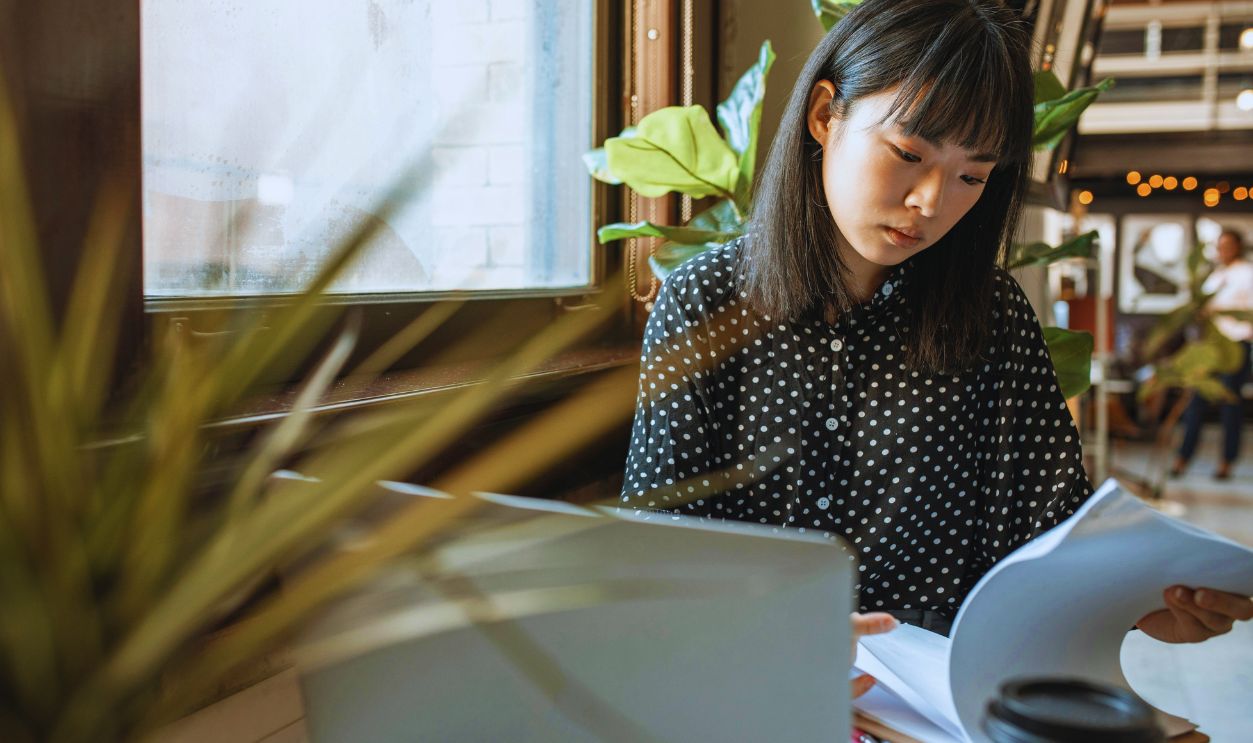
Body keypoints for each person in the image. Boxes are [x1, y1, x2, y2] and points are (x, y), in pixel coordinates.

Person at [619, 0, 1253, 700]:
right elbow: (659, 553)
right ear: (825, 114)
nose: (930, 199)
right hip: (755, 691)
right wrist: (777, 630)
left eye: (971, 176)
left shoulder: (993, 316)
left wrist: (1146, 607)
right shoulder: (705, 302)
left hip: (945, 701)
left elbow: (1049, 541)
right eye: (907, 154)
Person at [1171, 228, 1253, 480]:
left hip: (1235, 346)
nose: (1223, 250)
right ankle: (1183, 457)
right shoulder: (1214, 276)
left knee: (1230, 405)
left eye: (1228, 245)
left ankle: (1226, 462)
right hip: (1209, 348)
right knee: (1196, 402)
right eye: (1220, 245)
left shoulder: (1247, 273)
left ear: (1238, 246)